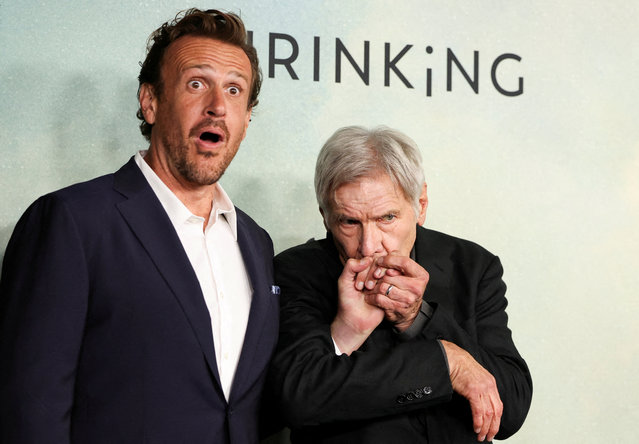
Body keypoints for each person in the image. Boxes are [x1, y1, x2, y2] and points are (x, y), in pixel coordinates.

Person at [0, 8, 279, 444]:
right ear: (150, 102)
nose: (217, 107)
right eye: (196, 83)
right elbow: (30, 409)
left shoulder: (256, 243)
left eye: (234, 90)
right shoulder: (71, 221)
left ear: (246, 120)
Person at [268, 126, 532, 443]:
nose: (369, 246)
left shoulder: (473, 266)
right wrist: (445, 363)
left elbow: (511, 409)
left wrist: (417, 319)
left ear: (420, 205)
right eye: (349, 221)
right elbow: (297, 399)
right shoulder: (296, 271)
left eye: (387, 218)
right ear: (326, 216)